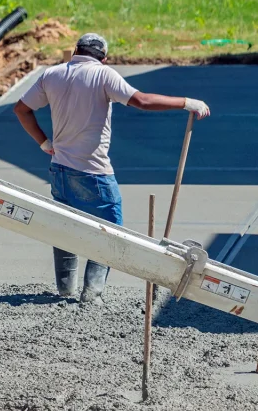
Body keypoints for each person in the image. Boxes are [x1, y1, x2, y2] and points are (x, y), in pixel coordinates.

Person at [13, 33, 210, 303]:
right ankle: (91, 294)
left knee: (64, 227)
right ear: (104, 58)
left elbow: (21, 109)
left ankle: (65, 289)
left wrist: (44, 142)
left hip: (59, 168)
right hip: (94, 172)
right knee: (110, 231)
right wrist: (186, 102)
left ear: (75, 51)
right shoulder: (103, 75)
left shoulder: (52, 74)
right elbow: (141, 101)